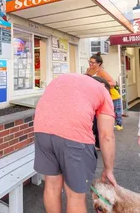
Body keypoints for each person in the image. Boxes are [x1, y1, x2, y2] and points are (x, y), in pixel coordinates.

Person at [34, 73, 116, 213]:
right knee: (75, 195)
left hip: (42, 131)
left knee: (52, 186)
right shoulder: (102, 90)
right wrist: (108, 170)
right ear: (104, 86)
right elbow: (107, 136)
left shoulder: (64, 79)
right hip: (75, 138)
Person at [86, 52, 123, 131]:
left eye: (93, 62)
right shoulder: (89, 70)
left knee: (116, 111)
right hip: (98, 96)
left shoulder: (101, 72)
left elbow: (112, 83)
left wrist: (102, 85)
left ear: (99, 63)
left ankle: (119, 124)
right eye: (89, 62)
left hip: (112, 95)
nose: (90, 64)